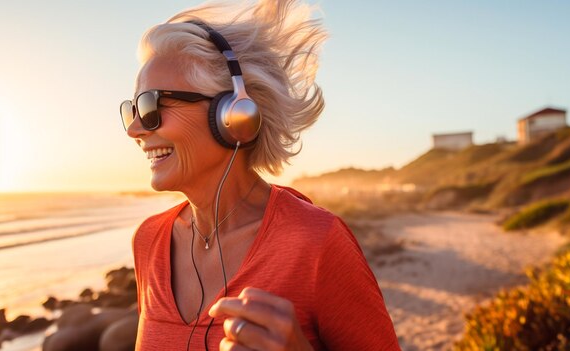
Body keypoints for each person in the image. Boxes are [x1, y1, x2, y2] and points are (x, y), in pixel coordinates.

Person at [121, 0, 400, 350]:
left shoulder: (316, 242)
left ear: (234, 115)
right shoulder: (147, 241)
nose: (134, 129)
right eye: (131, 109)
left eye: (150, 106)